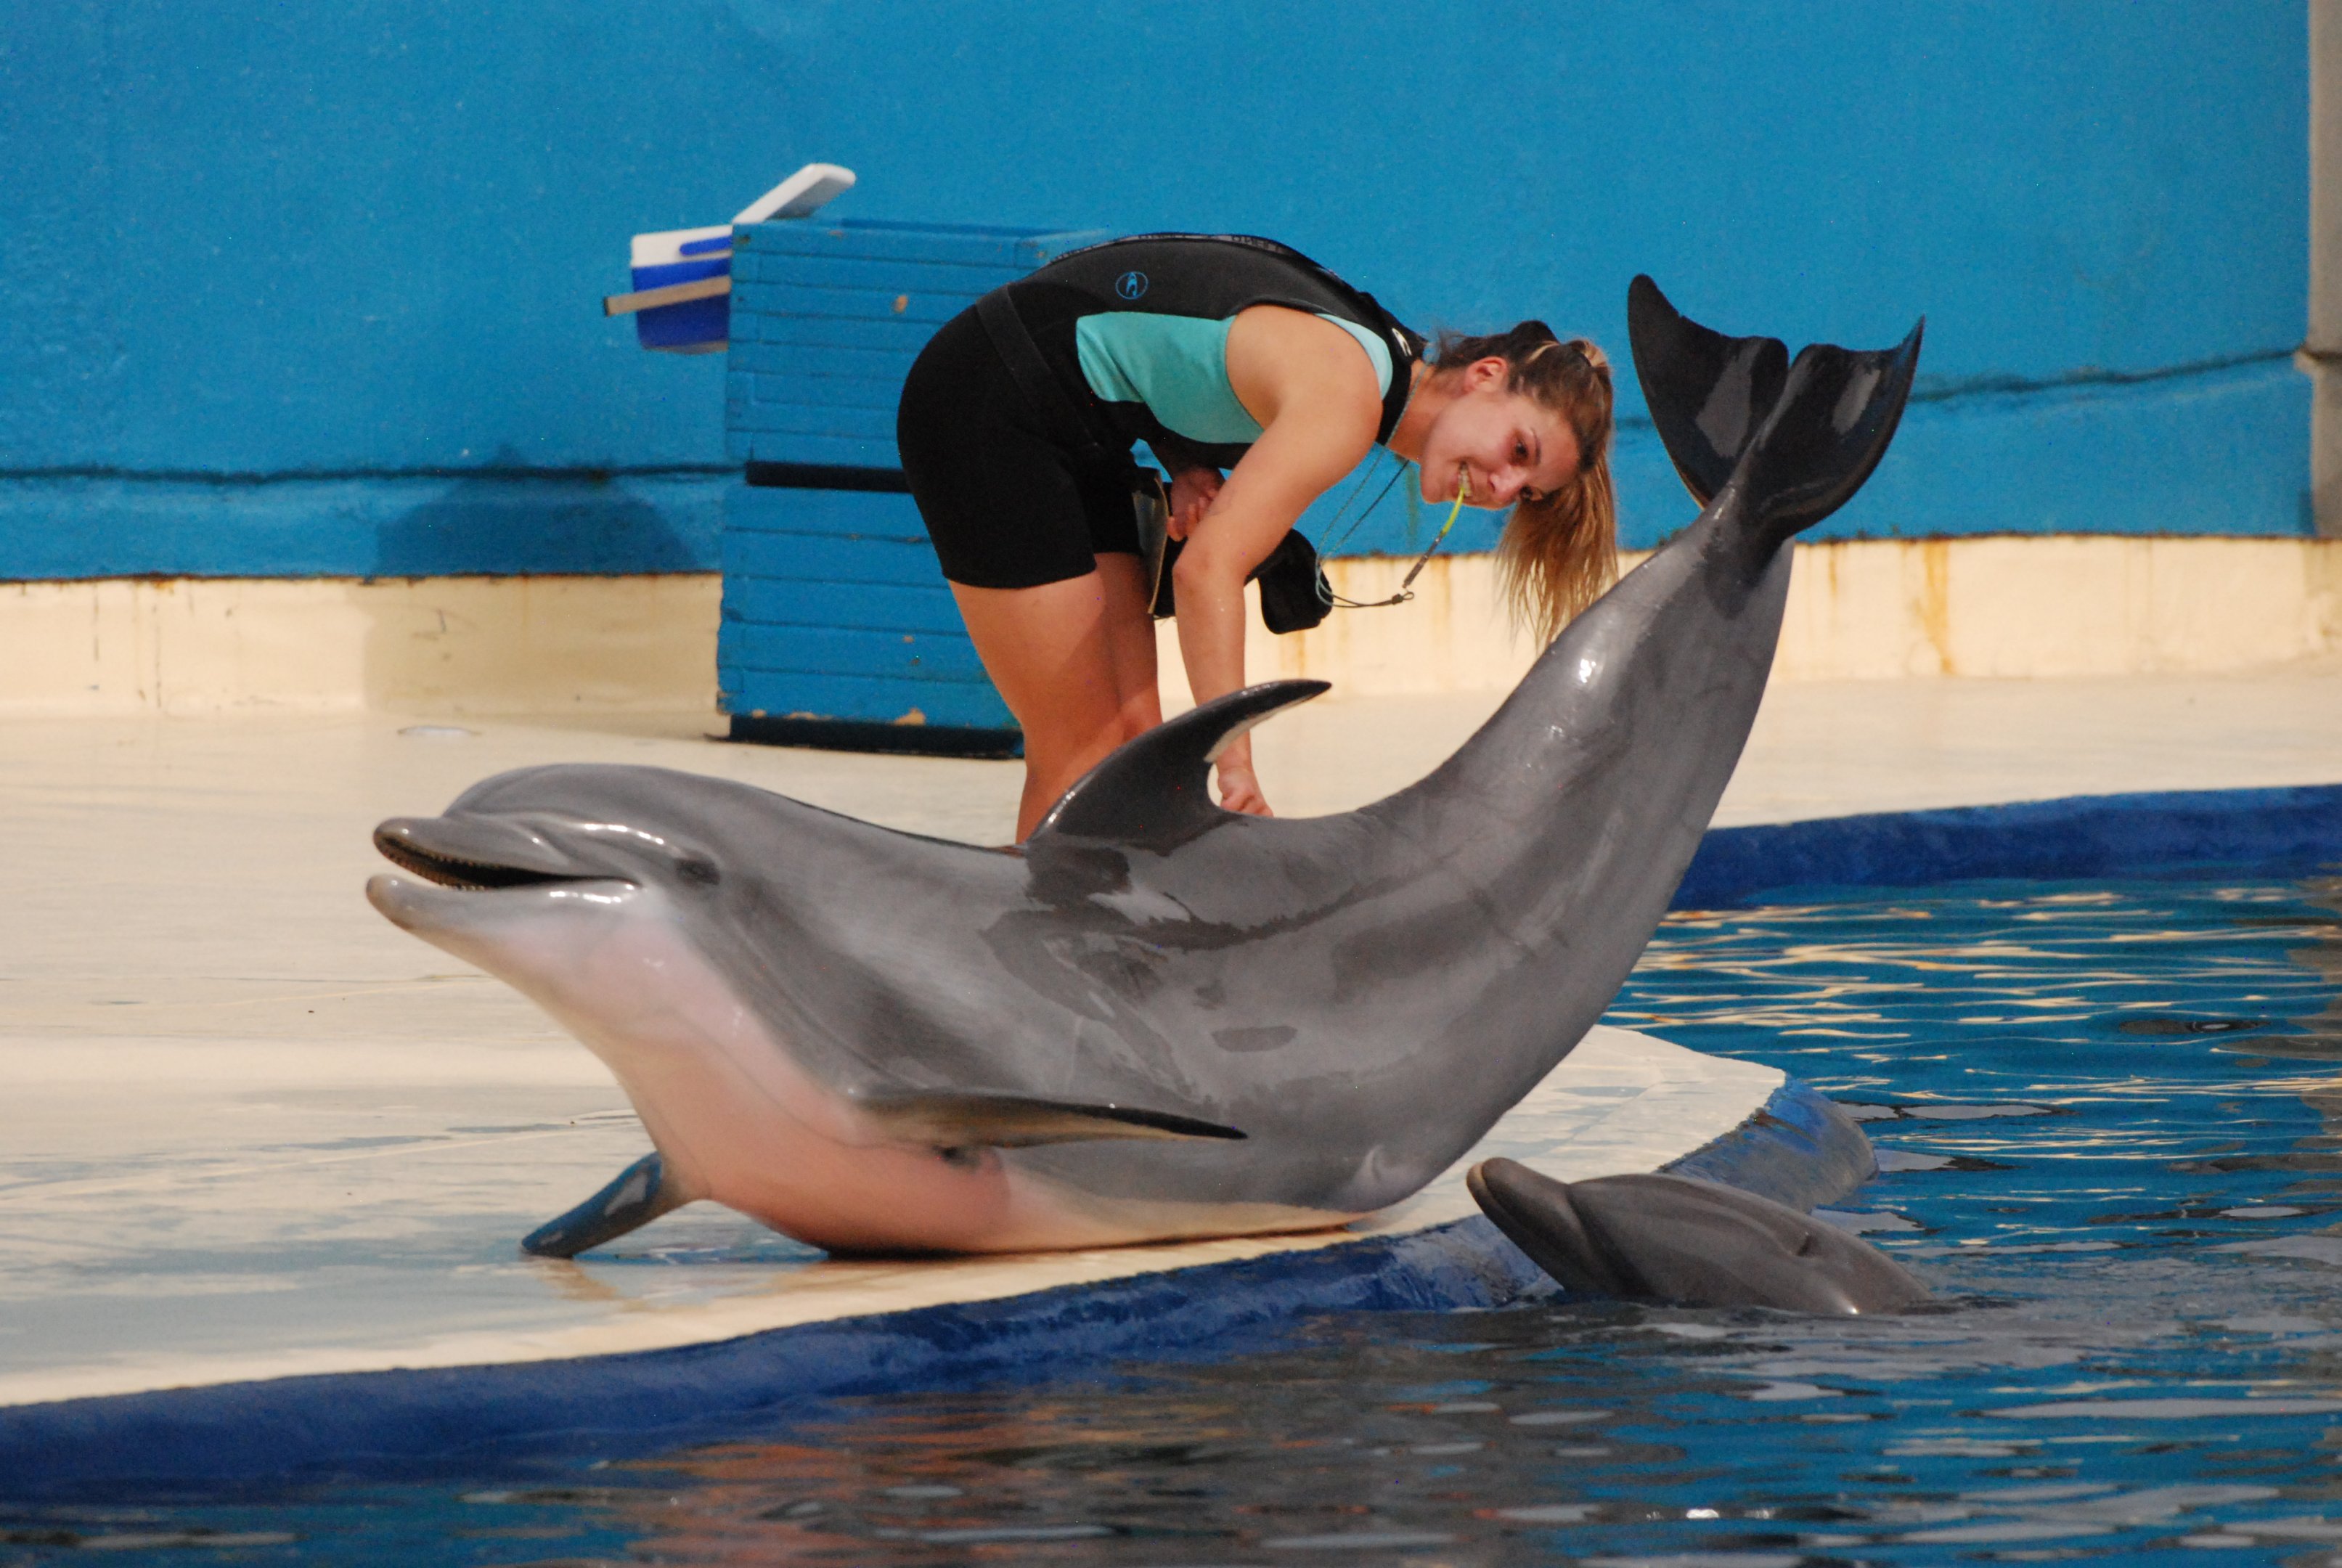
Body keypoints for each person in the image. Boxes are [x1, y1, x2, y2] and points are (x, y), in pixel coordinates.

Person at [896, 233, 1616, 841]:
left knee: (1131, 746)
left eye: (1527, 493)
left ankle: (1093, 966)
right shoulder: (1349, 399)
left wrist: (1186, 460)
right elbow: (1205, 572)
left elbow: (1162, 326)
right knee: (1080, 752)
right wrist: (1231, 762)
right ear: (1485, 376)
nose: (1499, 489)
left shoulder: (1378, 359)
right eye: (1518, 452)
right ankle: (1029, 982)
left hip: (1078, 430)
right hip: (990, 402)